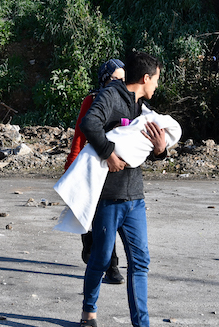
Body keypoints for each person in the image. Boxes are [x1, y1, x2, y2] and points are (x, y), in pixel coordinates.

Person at [78, 51, 168, 327]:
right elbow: (88, 124)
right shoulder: (109, 96)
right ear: (145, 78)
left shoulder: (142, 107)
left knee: (140, 262)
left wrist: (160, 150)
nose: (157, 86)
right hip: (107, 196)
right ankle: (88, 312)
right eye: (156, 80)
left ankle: (141, 323)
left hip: (135, 196)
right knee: (102, 258)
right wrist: (109, 154)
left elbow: (143, 148)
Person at [65, 58, 126, 286]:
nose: (119, 83)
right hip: (91, 165)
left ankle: (111, 266)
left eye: (122, 79)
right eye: (114, 79)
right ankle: (95, 251)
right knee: (92, 217)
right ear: (104, 80)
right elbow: (80, 137)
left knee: (109, 219)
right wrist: (71, 167)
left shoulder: (128, 102)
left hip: (116, 168)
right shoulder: (91, 101)